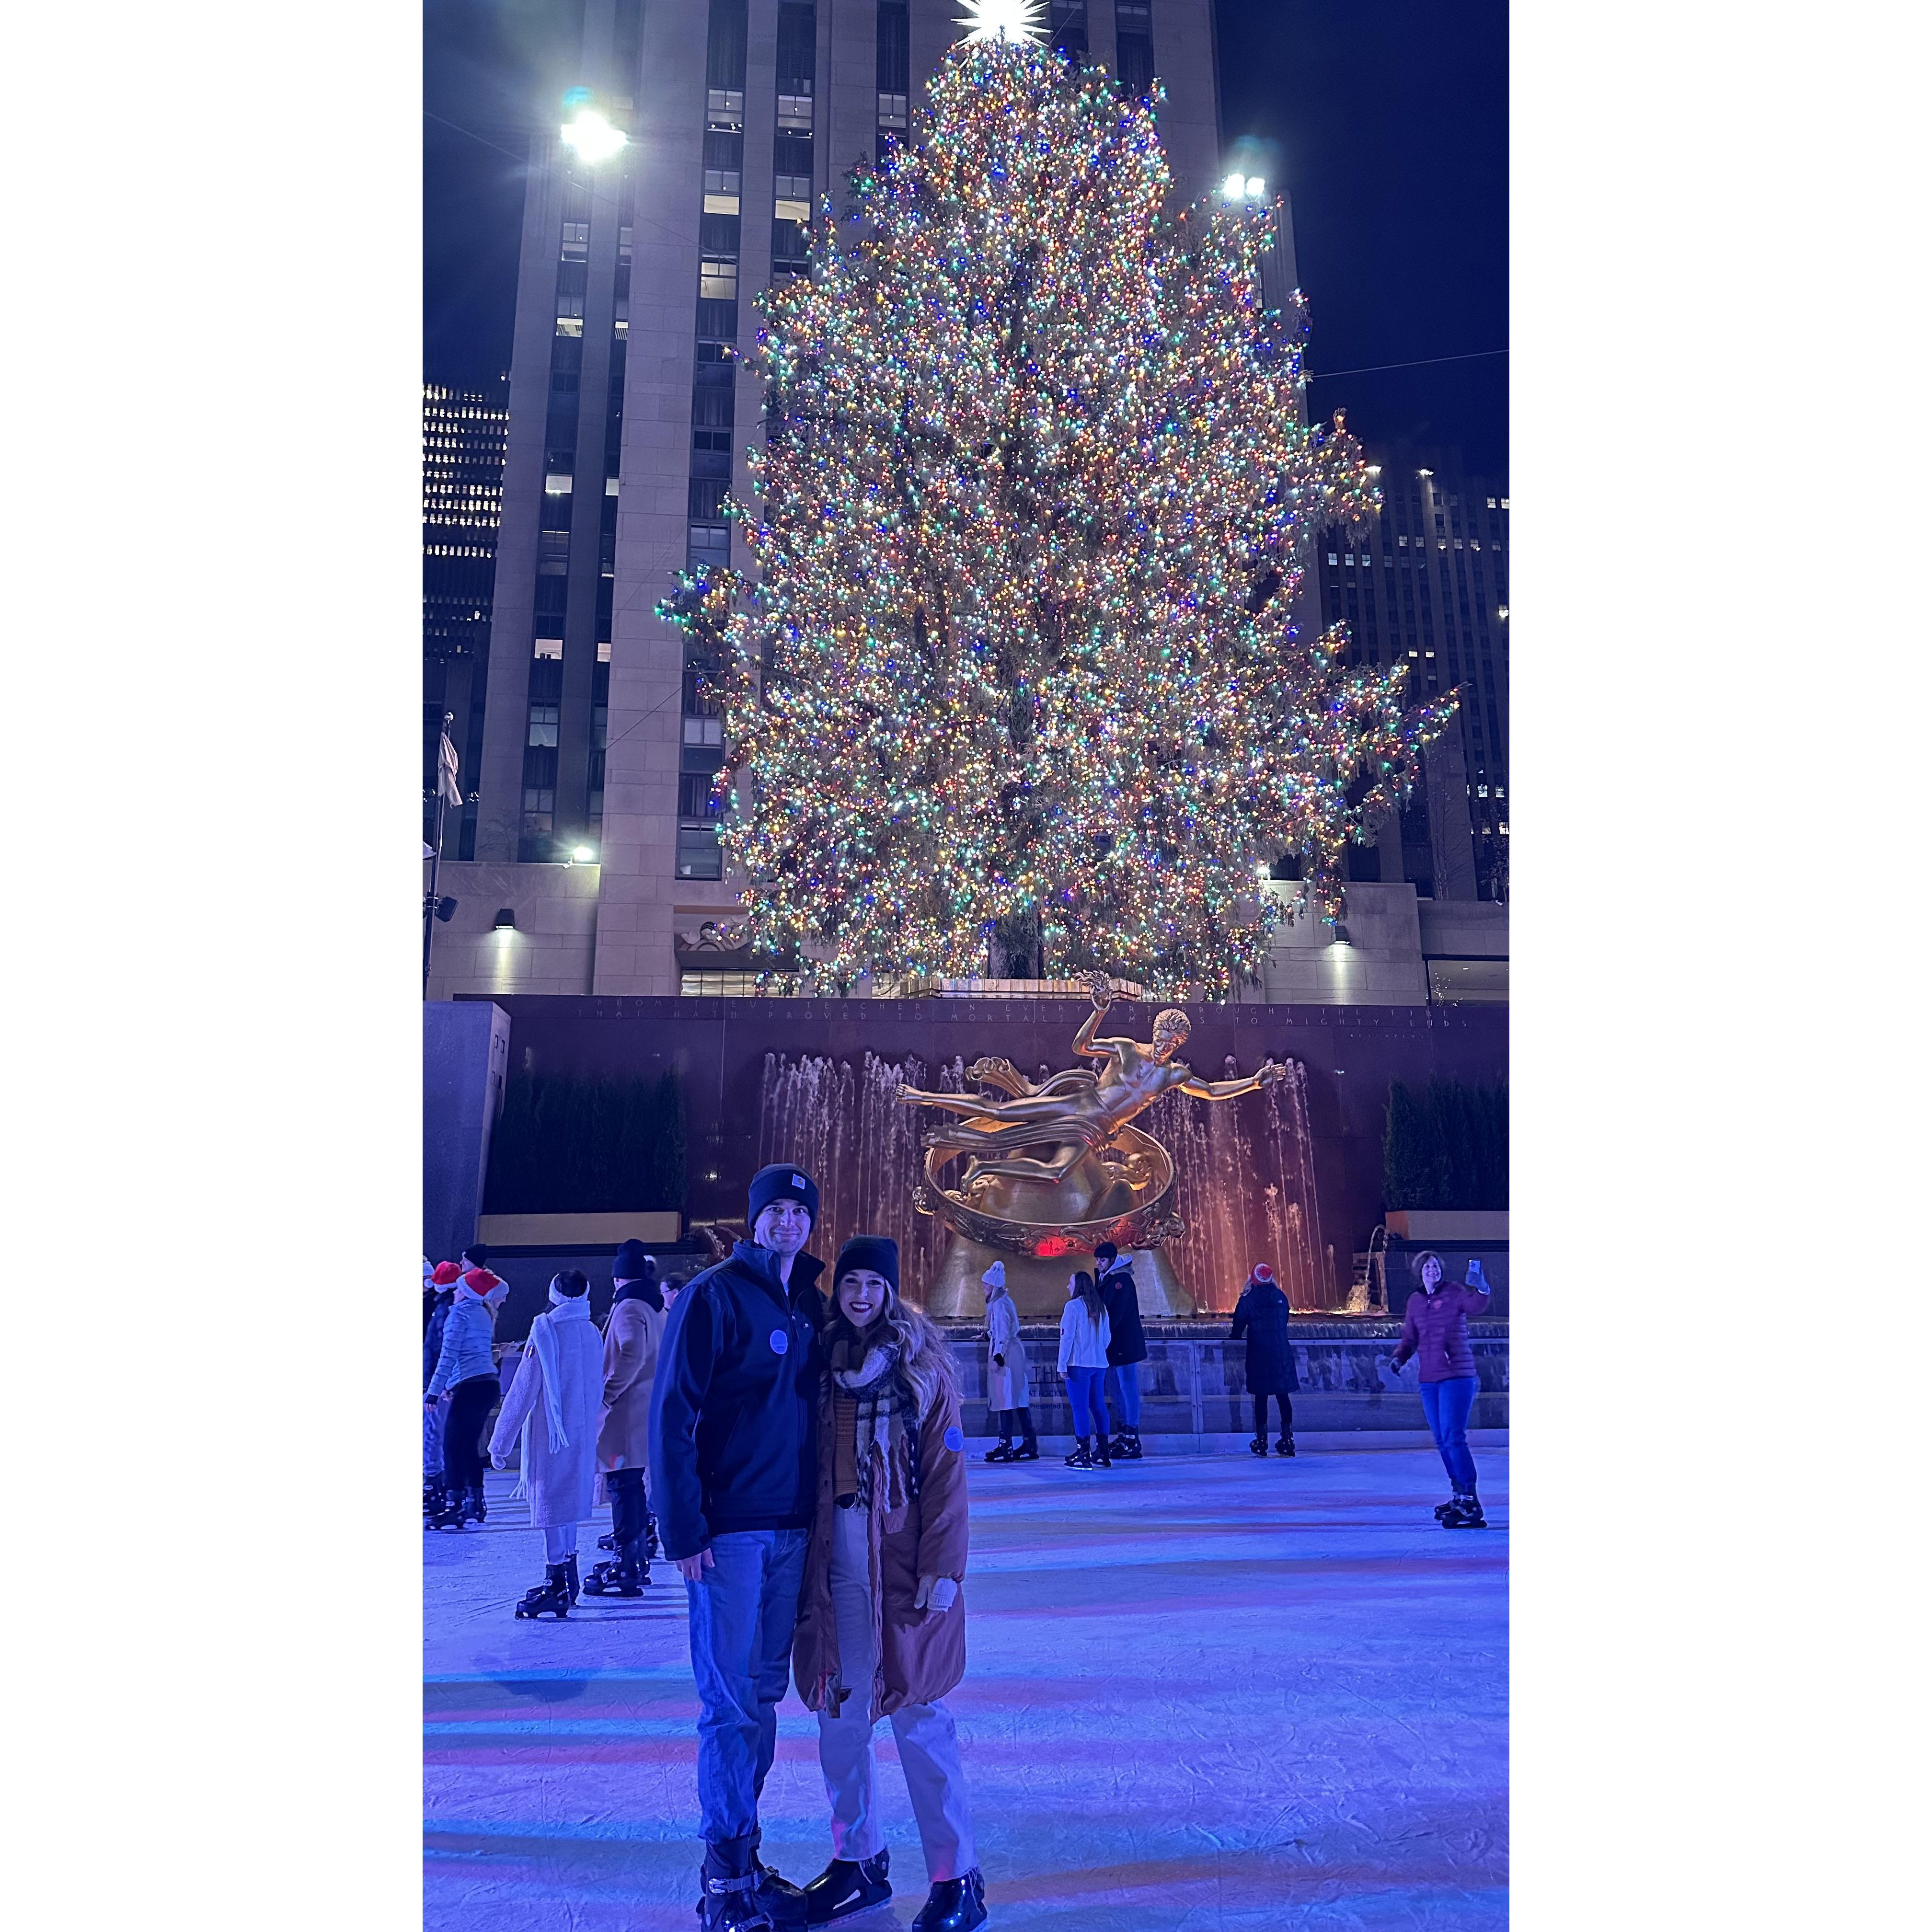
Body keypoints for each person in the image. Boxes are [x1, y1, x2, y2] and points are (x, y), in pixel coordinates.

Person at [649, 1165, 828, 1932]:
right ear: (754, 1221)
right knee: (727, 1706)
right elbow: (671, 1416)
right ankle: (723, 1877)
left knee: (761, 1696)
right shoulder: (714, 1296)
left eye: (799, 1212)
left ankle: (744, 1857)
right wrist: (682, 1527)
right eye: (775, 1211)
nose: (787, 1222)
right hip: (728, 1534)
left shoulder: (812, 1304)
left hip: (791, 1528)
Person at [794, 1237, 988, 1932]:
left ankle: (957, 1876)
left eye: (875, 1284)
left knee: (919, 1719)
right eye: (852, 1284)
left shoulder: (922, 1373)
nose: (861, 1297)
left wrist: (943, 1571)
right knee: (839, 1719)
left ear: (891, 1292)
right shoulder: (817, 1371)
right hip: (833, 1571)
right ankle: (859, 1865)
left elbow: (946, 1482)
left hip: (904, 1574)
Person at [483, 1268, 605, 1615]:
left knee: (552, 1506)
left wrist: (500, 1443)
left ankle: (556, 1585)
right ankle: (568, 1577)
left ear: (555, 1292)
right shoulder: (592, 1331)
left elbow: (523, 1390)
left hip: (552, 1435)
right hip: (581, 1434)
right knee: (567, 1507)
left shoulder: (546, 1331)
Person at [1389, 1252, 1494, 1528]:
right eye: (1427, 1266)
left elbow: (1476, 1305)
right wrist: (1399, 1358)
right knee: (1442, 1440)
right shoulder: (1415, 1301)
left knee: (1453, 1437)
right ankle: (1459, 1495)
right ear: (1419, 1272)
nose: (1432, 1270)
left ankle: (1470, 1500)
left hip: (1457, 1376)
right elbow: (1410, 1337)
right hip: (1429, 1380)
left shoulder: (1455, 1293)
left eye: (1436, 1265)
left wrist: (1482, 1286)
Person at [588, 1238, 666, 1597]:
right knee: (631, 1485)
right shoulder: (657, 1307)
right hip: (648, 1410)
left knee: (623, 1485)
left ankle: (627, 1563)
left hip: (627, 1413)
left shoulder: (630, 1307)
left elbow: (631, 1352)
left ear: (620, 1279)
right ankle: (634, 1559)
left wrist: (607, 1394)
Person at [425, 1250, 509, 1529]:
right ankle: (475, 1503)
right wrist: (450, 1386)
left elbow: (449, 1356)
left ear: (463, 1290)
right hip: (486, 1385)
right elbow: (470, 1356)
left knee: (452, 1445)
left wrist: (434, 1392)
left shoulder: (459, 1316)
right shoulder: (483, 1313)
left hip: (472, 1388)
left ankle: (455, 1505)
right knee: (468, 1445)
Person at [1230, 1262, 1298, 1457]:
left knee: (1261, 1398)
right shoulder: (1281, 1297)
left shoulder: (1248, 1300)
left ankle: (1261, 1440)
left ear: (1253, 1279)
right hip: (1281, 1353)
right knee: (1283, 1396)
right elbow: (1284, 1321)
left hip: (1259, 1354)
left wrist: (1235, 1337)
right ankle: (1288, 1439)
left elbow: (1238, 1326)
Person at [978, 1261, 1037, 1462]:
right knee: (1018, 1398)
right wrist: (988, 1335)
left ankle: (1006, 1445)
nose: (983, 1288)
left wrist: (998, 1357)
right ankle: (1029, 1443)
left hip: (1008, 1356)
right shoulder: (1003, 1302)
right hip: (1012, 1353)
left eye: (986, 1285)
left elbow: (1003, 1333)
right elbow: (1000, 1330)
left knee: (1004, 1399)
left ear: (994, 1286)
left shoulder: (1000, 1304)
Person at [1095, 1242, 1149, 1460]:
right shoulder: (1107, 1279)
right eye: (1097, 1260)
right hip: (1114, 1345)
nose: (1099, 1264)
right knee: (1117, 1389)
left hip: (1124, 1345)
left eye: (1102, 1260)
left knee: (1127, 1388)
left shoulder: (1121, 1281)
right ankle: (1124, 1433)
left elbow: (1114, 1315)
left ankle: (1132, 1436)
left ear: (1111, 1260)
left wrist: (1100, 1332)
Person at [1057, 1269, 1113, 1470]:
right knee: (1098, 1406)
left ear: (1078, 1285)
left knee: (1080, 1408)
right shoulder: (1101, 1308)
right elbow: (1107, 1339)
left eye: (1070, 1283)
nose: (1068, 1286)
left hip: (1078, 1366)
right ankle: (1103, 1451)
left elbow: (1067, 1338)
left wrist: (1062, 1365)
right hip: (1099, 1365)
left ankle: (1083, 1452)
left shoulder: (1073, 1307)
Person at [423, 1260, 463, 1518]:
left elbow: (441, 1349)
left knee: (433, 1433)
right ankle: (439, 1486)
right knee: (435, 1433)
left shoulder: (445, 1309)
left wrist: (439, 1385)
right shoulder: (443, 1306)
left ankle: (435, 1487)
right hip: (434, 1380)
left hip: (435, 1382)